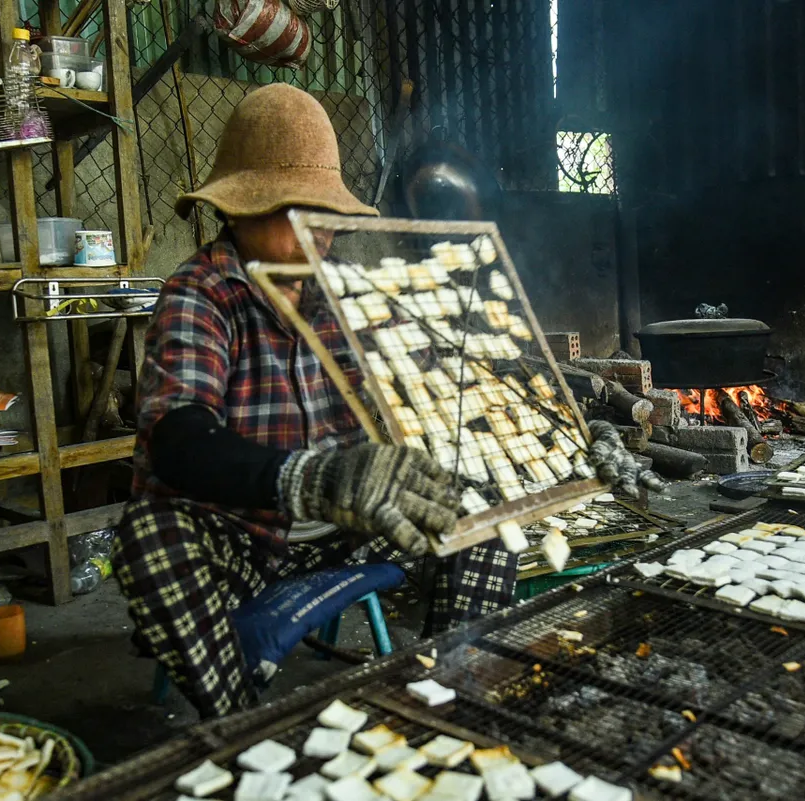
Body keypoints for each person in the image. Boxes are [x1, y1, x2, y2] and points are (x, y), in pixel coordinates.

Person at [112, 83, 662, 720]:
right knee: (151, 538)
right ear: (237, 212)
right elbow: (179, 442)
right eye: (288, 214)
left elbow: (462, 387)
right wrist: (310, 477)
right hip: (238, 535)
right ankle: (243, 730)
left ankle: (443, 701)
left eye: (320, 217)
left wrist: (577, 432)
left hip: (348, 530)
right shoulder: (202, 294)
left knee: (480, 516)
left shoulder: (346, 295)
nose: (313, 237)